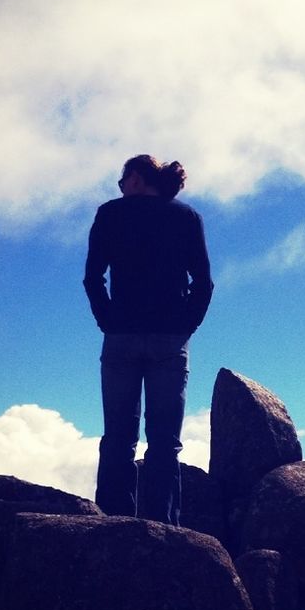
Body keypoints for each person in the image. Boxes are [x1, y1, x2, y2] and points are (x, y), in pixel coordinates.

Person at [83, 154, 213, 525]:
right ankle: (161, 530)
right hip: (169, 342)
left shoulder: (110, 214)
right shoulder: (186, 217)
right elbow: (203, 283)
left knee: (118, 438)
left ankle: (113, 523)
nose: (121, 188)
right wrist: (185, 326)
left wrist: (108, 320)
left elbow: (93, 277)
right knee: (164, 441)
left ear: (137, 179)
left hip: (121, 337)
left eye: (123, 181)